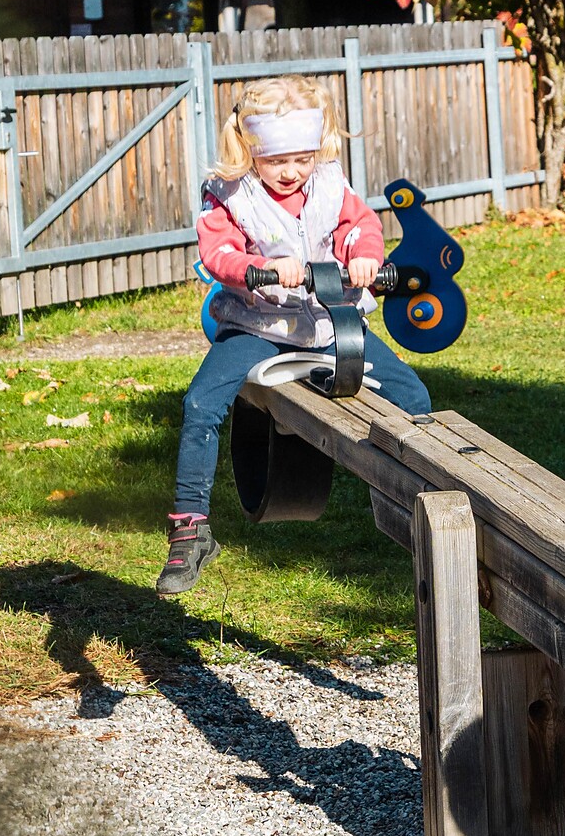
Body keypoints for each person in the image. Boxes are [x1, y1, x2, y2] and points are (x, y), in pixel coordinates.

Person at [156, 76, 431, 596]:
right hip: (258, 324)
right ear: (250, 149)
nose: (291, 172)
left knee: (412, 395)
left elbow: (358, 225)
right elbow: (219, 254)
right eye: (277, 160)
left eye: (302, 158)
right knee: (201, 404)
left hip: (330, 323)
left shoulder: (328, 181)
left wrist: (365, 255)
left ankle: (413, 507)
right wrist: (260, 267)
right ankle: (190, 527)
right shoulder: (228, 195)